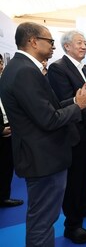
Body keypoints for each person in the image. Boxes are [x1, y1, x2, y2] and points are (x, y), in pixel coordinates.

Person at [0, 22, 86, 247]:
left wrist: (76, 101)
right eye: (50, 41)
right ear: (33, 41)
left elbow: (47, 109)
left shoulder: (19, 67)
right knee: (42, 222)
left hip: (39, 155)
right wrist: (80, 106)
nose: (54, 46)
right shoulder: (25, 71)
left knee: (43, 218)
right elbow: (50, 119)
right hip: (43, 158)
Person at [48, 30, 86, 244]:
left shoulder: (85, 69)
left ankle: (85, 206)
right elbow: (68, 101)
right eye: (79, 43)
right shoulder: (58, 68)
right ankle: (72, 225)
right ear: (67, 47)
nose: (84, 46)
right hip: (74, 131)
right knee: (74, 179)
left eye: (85, 42)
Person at [0, 53, 24, 208]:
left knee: (6, 166)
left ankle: (3, 197)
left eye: (0, 63)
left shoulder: (3, 81)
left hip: (9, 128)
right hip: (1, 130)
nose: (0, 66)